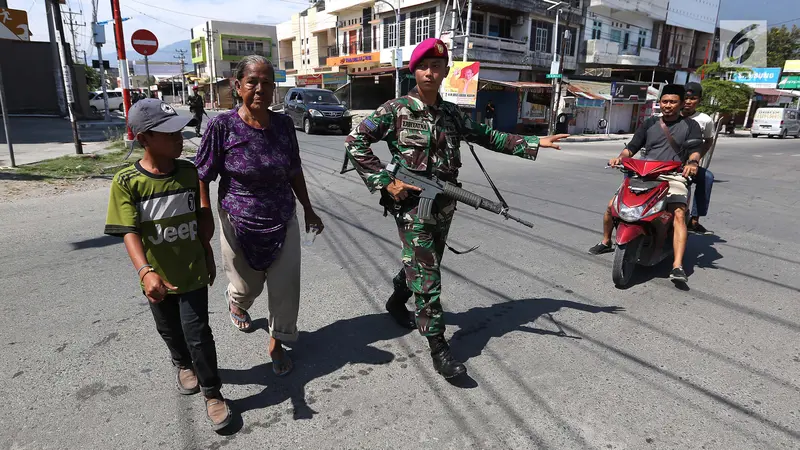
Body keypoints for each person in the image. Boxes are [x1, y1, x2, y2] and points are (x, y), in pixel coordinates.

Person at [344, 38, 567, 379]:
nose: (430, 73)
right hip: (410, 208)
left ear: (446, 71)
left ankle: (400, 293)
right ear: (413, 70)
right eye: (423, 66)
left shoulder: (451, 114)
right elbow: (355, 141)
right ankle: (438, 346)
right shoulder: (395, 110)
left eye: (437, 66)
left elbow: (489, 136)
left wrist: (535, 142)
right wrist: (386, 183)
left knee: (420, 267)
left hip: (445, 205)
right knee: (429, 279)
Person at [104, 99, 232, 430]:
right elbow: (129, 231)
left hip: (191, 273)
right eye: (169, 133)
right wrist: (145, 272)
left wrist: (206, 250)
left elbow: (202, 213)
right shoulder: (127, 182)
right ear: (144, 138)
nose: (179, 139)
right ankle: (180, 362)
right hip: (156, 278)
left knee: (199, 334)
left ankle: (213, 392)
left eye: (180, 131)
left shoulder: (189, 172)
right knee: (170, 330)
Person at [194, 55, 324, 377]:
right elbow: (202, 174)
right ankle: (236, 299)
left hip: (282, 217)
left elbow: (294, 169)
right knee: (247, 285)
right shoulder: (221, 126)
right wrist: (205, 212)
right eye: (253, 81)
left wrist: (308, 208)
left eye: (267, 82)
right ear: (237, 86)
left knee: (285, 287)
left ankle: (277, 341)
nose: (260, 89)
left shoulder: (282, 125)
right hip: (238, 221)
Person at [588, 84, 703, 283]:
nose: (668, 105)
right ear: (659, 103)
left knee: (678, 213)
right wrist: (619, 158)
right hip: (644, 174)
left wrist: (692, 163)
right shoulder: (649, 123)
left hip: (673, 175)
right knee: (611, 207)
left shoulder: (690, 125)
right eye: (665, 101)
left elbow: (695, 150)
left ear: (682, 103)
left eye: (673, 102)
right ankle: (606, 241)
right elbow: (631, 148)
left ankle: (677, 266)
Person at [683, 82, 715, 235]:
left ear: (699, 101)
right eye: (686, 98)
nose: (688, 101)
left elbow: (708, 140)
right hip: (666, 160)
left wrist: (695, 159)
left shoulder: (705, 120)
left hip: (690, 164)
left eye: (693, 98)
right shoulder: (669, 115)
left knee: (707, 177)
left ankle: (695, 218)